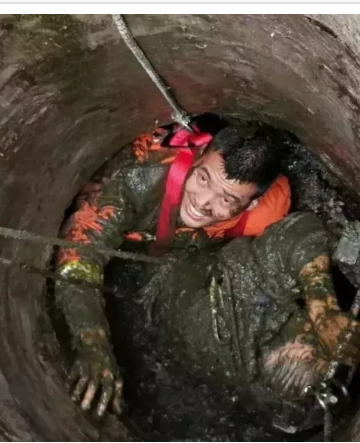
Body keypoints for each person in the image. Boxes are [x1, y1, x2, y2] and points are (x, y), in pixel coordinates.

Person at [55, 118, 293, 415]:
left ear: (252, 203)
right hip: (135, 227)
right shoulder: (141, 176)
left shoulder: (266, 216)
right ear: (199, 154)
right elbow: (80, 256)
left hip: (183, 255)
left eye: (227, 199)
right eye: (203, 179)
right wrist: (93, 342)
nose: (203, 202)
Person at [99, 212, 360, 439]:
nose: (310, 324)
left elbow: (300, 229)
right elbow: (299, 233)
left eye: (315, 333)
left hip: (166, 279)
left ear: (301, 352)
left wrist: (325, 312)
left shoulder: (244, 318)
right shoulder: (288, 412)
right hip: (176, 304)